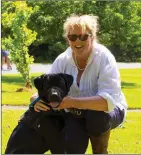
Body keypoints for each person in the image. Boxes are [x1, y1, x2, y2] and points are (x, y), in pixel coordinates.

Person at [31, 14, 128, 154]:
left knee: (96, 117)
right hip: (76, 112)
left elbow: (107, 103)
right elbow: (46, 87)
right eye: (72, 37)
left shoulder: (104, 57)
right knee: (72, 143)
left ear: (92, 37)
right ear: (67, 39)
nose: (78, 41)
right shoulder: (62, 60)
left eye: (83, 36)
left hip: (109, 112)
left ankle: (100, 151)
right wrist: (35, 99)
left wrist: (71, 102)